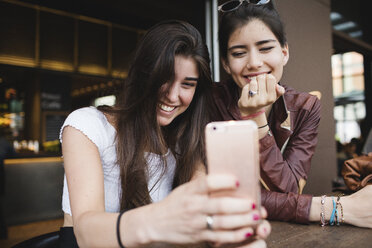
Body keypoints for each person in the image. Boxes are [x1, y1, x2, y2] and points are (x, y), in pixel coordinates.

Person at [60, 20, 270, 248]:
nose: (172, 96)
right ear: (143, 74)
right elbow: (85, 232)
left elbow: (202, 207)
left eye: (187, 85)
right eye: (164, 79)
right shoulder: (87, 125)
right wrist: (159, 218)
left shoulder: (185, 141)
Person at [212, 0, 372, 228]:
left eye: (266, 48)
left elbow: (289, 189)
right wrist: (329, 208)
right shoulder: (207, 101)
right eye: (239, 53)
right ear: (226, 64)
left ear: (284, 52)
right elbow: (220, 197)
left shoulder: (306, 107)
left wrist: (256, 119)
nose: (255, 63)